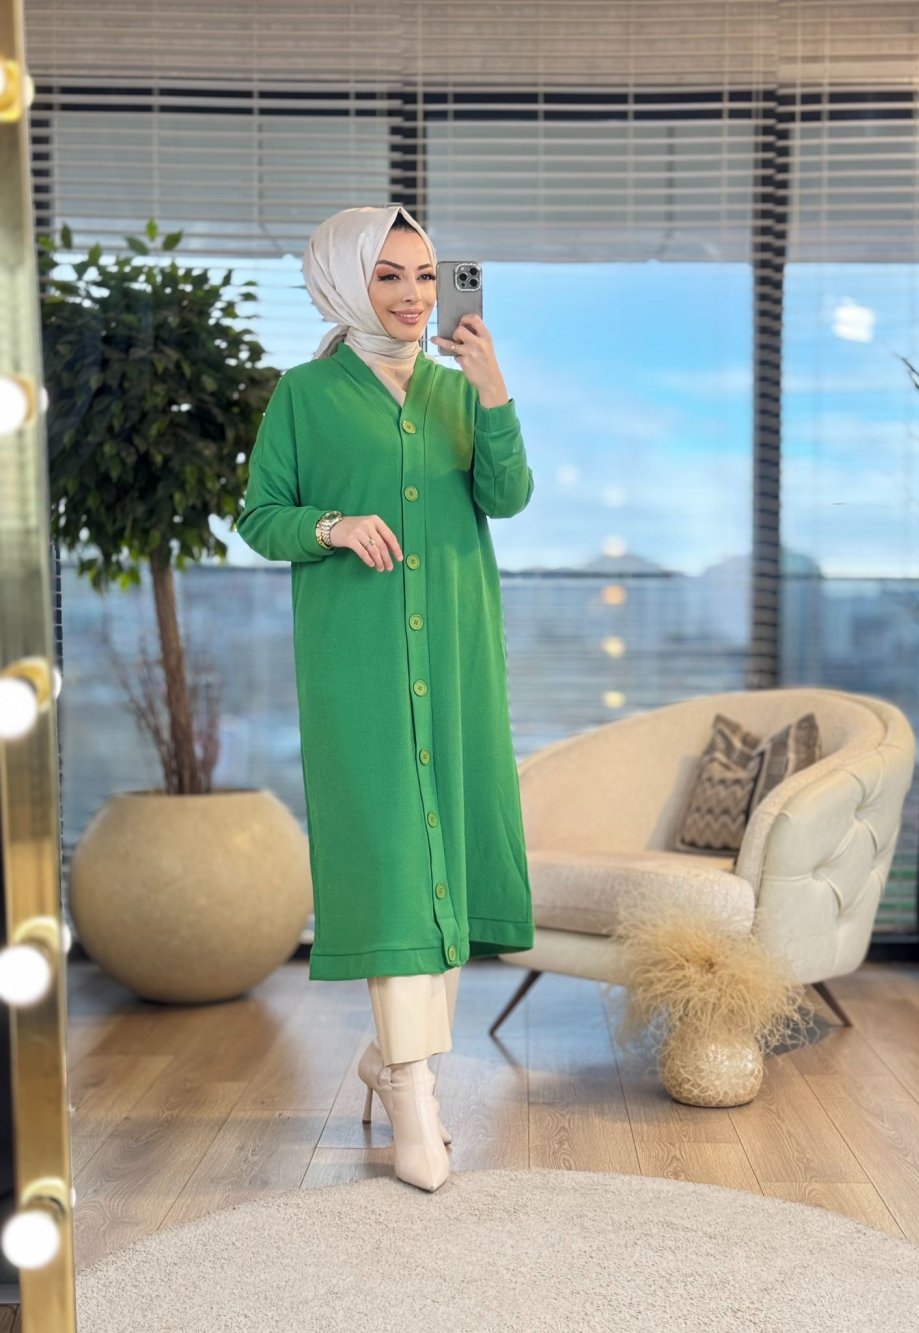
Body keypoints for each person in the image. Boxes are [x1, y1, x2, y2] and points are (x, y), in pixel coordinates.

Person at [235, 204, 536, 1192]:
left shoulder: (457, 390)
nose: (413, 296)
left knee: (446, 860)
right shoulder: (305, 395)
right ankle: (413, 1094)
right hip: (358, 665)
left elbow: (508, 496)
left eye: (426, 275)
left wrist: (493, 391)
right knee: (396, 863)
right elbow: (260, 517)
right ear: (345, 281)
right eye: (389, 276)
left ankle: (394, 1063)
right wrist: (330, 525)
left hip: (455, 656)